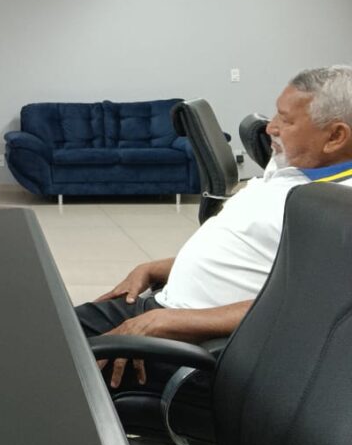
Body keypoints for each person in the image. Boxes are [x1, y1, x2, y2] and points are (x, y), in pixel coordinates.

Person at [77, 65, 352, 387]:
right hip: (164, 310)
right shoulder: (291, 167)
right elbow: (254, 252)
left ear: (335, 136)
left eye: (286, 121)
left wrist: (169, 321)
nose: (270, 128)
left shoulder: (338, 208)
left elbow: (309, 309)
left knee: (37, 366)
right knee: (29, 328)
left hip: (198, 343)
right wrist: (159, 267)